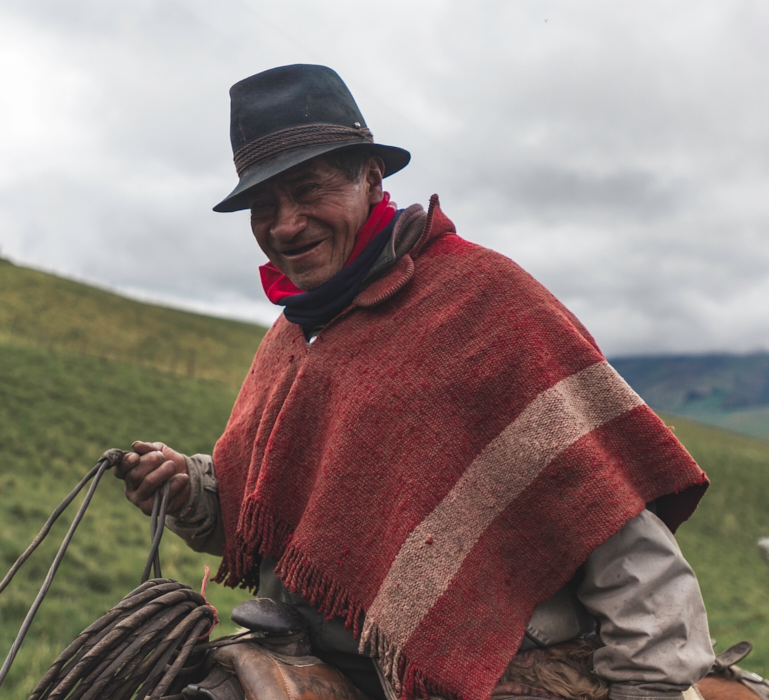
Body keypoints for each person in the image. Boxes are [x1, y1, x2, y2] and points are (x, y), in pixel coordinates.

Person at [114, 64, 715, 700]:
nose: (284, 225)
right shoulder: (295, 335)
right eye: (263, 206)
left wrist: (652, 687)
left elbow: (607, 510)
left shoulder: (487, 304)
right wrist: (188, 492)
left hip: (486, 677)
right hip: (312, 666)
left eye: (308, 190)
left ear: (370, 178)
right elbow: (265, 518)